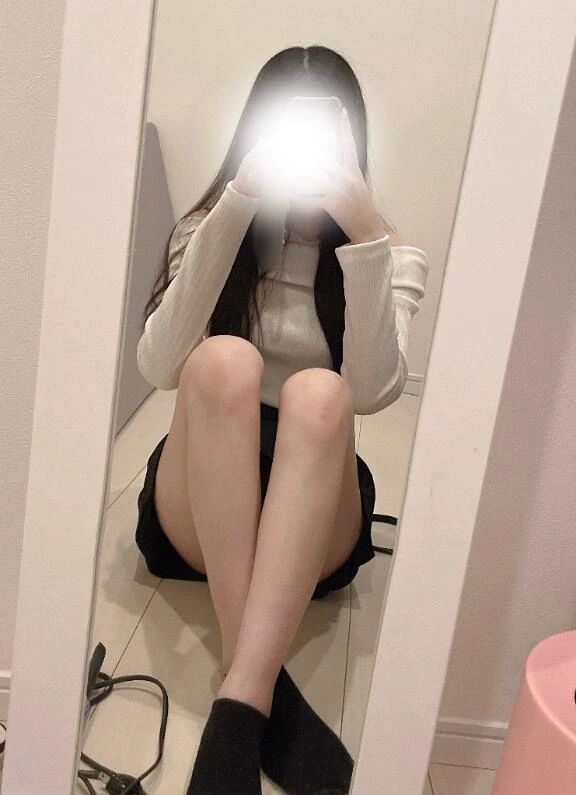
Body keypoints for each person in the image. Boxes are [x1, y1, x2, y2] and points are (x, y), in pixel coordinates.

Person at [135, 45, 429, 795]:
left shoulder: (388, 252)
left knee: (323, 394)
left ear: (351, 143)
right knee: (220, 361)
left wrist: (365, 233)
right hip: (201, 502)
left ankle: (240, 694)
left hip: (315, 505)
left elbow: (371, 394)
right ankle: (260, 694)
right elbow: (159, 366)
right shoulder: (211, 225)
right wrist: (238, 199)